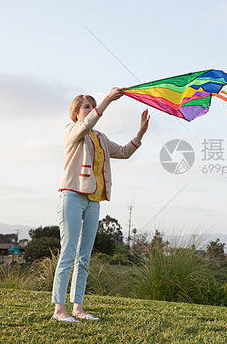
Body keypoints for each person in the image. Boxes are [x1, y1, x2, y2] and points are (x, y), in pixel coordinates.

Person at [51, 87, 149, 323]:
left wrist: (140, 134)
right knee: (68, 253)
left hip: (94, 199)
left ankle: (78, 308)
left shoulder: (101, 138)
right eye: (87, 106)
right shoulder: (72, 130)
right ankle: (59, 310)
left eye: (92, 105)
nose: (91, 109)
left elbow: (124, 152)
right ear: (75, 113)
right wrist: (107, 100)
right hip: (72, 195)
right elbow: (86, 125)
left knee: (84, 256)